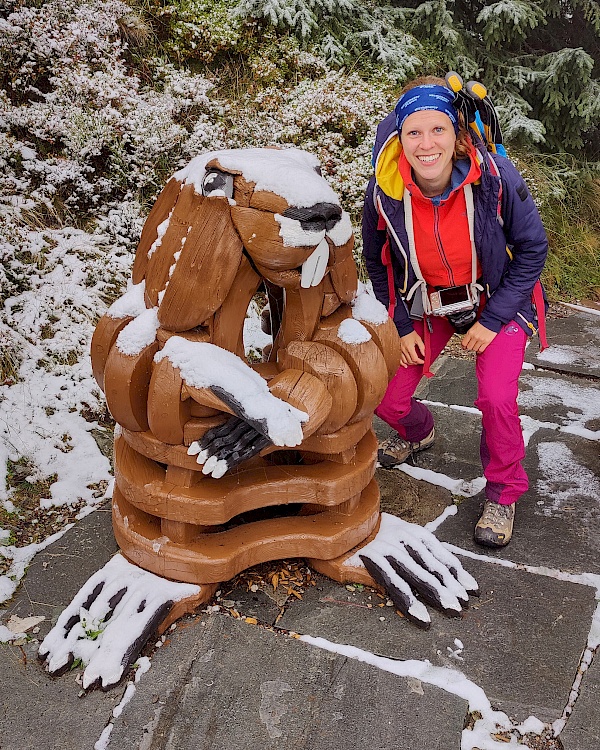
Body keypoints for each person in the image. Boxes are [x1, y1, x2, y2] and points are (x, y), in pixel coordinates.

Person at [361, 75, 548, 548]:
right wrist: (400, 327)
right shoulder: (384, 190)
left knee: (496, 398)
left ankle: (503, 492)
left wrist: (491, 320)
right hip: (427, 302)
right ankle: (420, 432)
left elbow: (532, 249)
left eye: (438, 130)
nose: (427, 145)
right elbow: (377, 261)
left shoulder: (496, 180)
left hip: (496, 299)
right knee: (383, 393)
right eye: (414, 133)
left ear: (457, 133)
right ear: (399, 137)